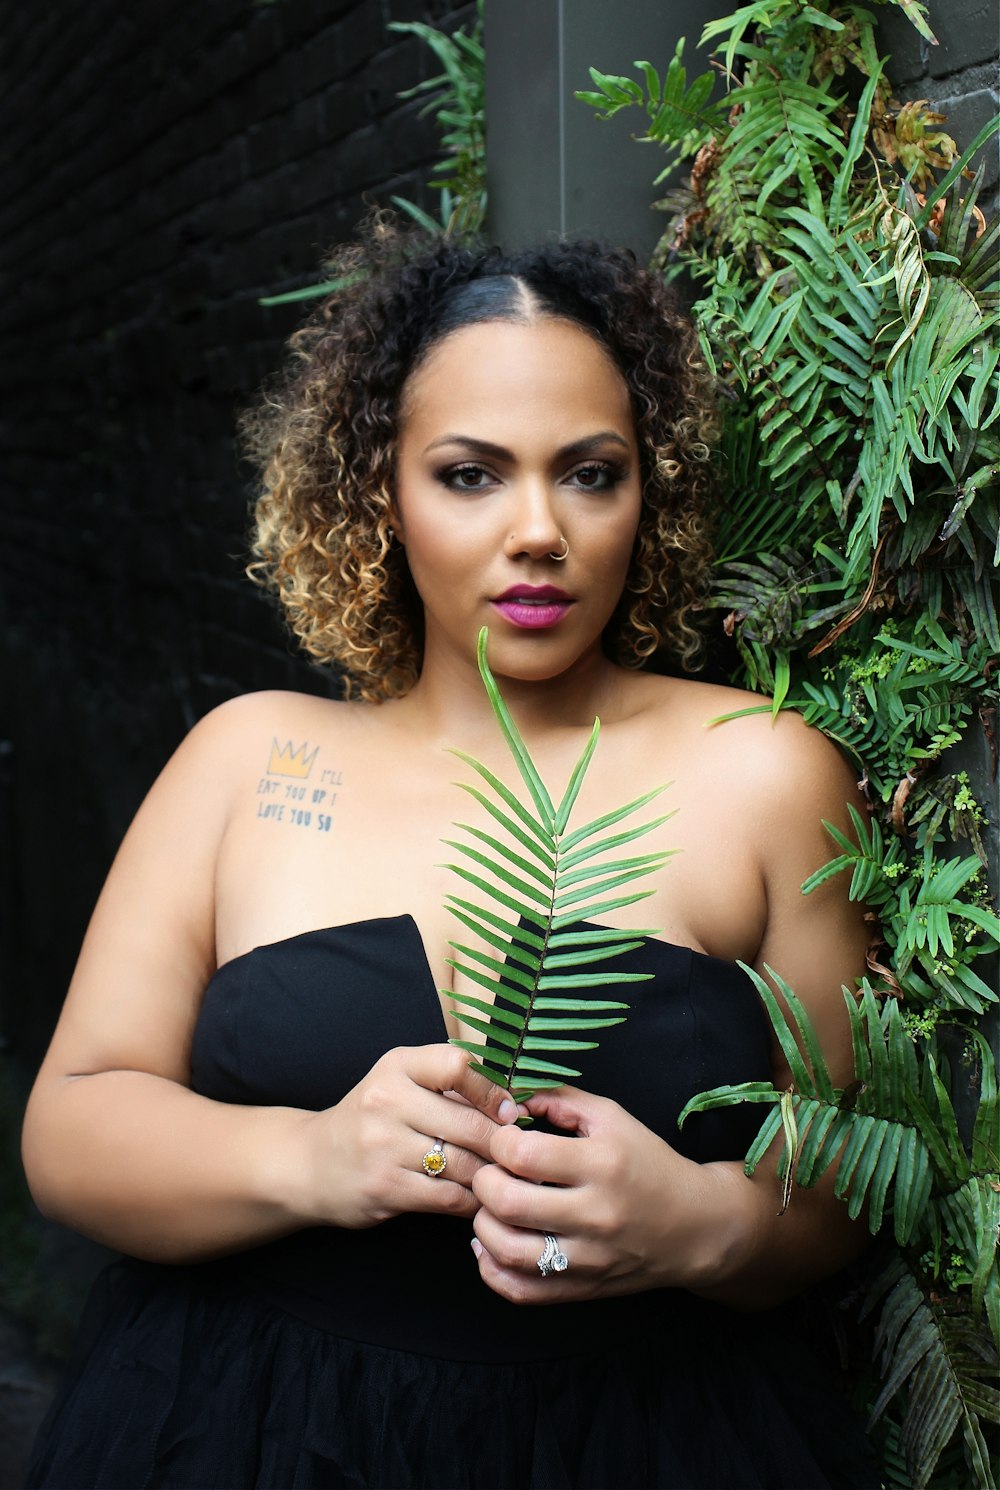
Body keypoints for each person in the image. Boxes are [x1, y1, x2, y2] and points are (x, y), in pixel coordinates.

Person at [23, 221, 878, 1489]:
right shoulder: (249, 760)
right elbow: (74, 1128)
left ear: (649, 490)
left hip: (648, 1438)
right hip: (247, 1430)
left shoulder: (764, 770)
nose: (540, 529)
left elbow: (854, 1165)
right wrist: (309, 1159)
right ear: (380, 495)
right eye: (471, 474)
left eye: (590, 473)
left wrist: (703, 1221)